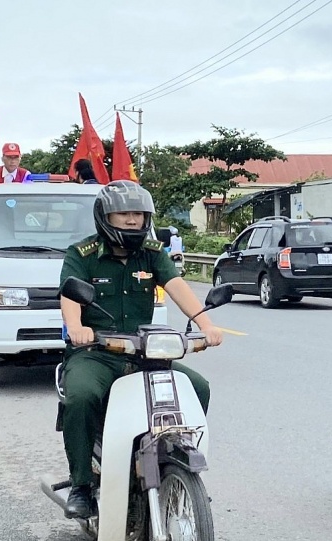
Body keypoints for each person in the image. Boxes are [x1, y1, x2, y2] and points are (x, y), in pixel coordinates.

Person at [58, 180, 223, 519]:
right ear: (106, 216)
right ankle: (82, 484)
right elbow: (70, 296)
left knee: (198, 387)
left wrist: (205, 324)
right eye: (124, 214)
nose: (132, 220)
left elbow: (176, 286)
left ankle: (171, 453)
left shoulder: (151, 253)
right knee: (80, 396)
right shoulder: (82, 254)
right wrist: (77, 328)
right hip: (96, 352)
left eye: (138, 214)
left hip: (144, 352)